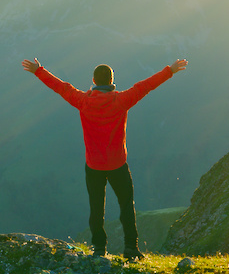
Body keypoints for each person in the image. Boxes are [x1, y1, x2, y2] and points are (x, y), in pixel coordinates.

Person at [21, 57, 188, 259]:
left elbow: (61, 88)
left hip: (94, 166)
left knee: (96, 208)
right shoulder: (121, 100)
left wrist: (39, 70)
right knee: (126, 205)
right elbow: (145, 86)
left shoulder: (83, 101)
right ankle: (131, 248)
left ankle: (99, 249)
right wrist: (170, 70)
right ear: (111, 80)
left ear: (93, 80)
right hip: (118, 164)